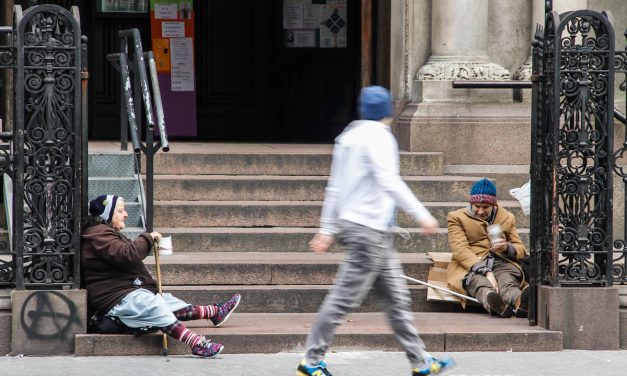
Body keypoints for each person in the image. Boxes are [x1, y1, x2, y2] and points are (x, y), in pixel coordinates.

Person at [296, 86, 455, 376]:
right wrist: (422, 215)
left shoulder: (348, 137)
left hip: (361, 230)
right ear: (388, 110)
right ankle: (310, 360)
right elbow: (389, 181)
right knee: (344, 299)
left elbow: (334, 187)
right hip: (369, 231)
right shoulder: (380, 138)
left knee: (396, 300)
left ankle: (420, 361)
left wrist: (327, 228)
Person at [81, 194, 241, 357]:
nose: (126, 214)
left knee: (167, 302)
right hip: (115, 297)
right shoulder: (98, 233)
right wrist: (147, 238)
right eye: (121, 210)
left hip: (125, 292)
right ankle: (196, 343)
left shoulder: (103, 232)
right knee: (155, 305)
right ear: (107, 214)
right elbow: (126, 254)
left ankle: (214, 312)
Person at [445, 178, 528, 318]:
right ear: (471, 202)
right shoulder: (456, 217)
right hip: (471, 264)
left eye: (485, 207)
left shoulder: (507, 217)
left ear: (493, 205)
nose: (481, 211)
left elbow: (520, 247)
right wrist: (485, 271)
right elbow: (460, 249)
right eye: (477, 206)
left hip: (501, 261)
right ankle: (494, 303)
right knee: (478, 283)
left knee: (508, 281)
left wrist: (507, 247)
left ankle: (521, 303)